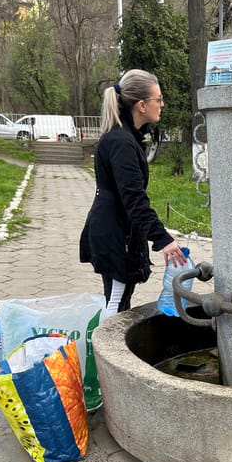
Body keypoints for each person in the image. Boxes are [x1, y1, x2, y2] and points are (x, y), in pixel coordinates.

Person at [80, 69, 186, 316]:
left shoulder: (127, 138)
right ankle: (105, 354)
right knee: (115, 306)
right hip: (115, 235)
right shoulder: (121, 143)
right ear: (141, 105)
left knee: (120, 300)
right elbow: (134, 199)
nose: (162, 104)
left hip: (118, 231)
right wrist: (164, 240)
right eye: (157, 99)